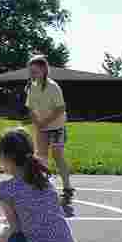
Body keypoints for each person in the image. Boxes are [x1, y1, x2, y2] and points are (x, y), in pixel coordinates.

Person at [25, 55, 75, 206]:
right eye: (31, 71)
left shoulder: (53, 86)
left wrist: (45, 122)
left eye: (35, 71)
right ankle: (44, 188)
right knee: (41, 157)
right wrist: (37, 122)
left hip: (56, 127)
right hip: (41, 127)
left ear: (44, 70)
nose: (32, 74)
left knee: (58, 157)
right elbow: (30, 108)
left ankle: (67, 188)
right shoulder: (31, 87)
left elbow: (61, 108)